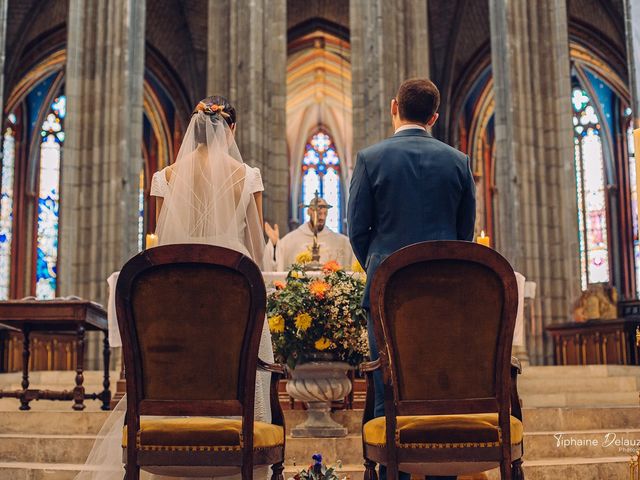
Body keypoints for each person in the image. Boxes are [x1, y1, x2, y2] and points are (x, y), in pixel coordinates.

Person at [76, 96, 274, 480]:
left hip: (175, 295)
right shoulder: (246, 176)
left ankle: (171, 453)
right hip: (233, 292)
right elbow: (256, 252)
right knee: (247, 365)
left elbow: (159, 244)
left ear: (193, 129)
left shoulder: (164, 177)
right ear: (230, 130)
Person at [347, 78, 476, 480]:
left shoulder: (370, 158)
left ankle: (393, 474)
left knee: (389, 389)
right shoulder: (459, 161)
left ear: (393, 108)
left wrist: (381, 267)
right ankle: (443, 473)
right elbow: (464, 236)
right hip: (444, 297)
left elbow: (356, 229)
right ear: (434, 117)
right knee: (441, 388)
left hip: (388, 294)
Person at [263, 197, 354, 271]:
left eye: (325, 213)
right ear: (309, 211)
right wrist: (275, 245)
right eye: (318, 213)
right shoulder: (291, 240)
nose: (322, 217)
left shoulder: (341, 241)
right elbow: (277, 261)